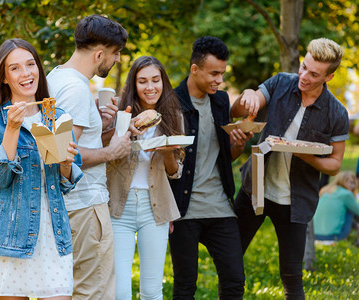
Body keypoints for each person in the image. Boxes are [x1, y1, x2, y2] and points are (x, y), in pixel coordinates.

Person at [231, 38, 349, 299]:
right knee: (231, 260)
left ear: (329, 77)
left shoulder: (336, 113)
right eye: (304, 67)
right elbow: (237, 110)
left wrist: (300, 152)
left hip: (296, 201)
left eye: (314, 74)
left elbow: (334, 165)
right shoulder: (281, 83)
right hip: (255, 189)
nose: (304, 76)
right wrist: (248, 96)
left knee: (292, 275)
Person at [0, 38, 83, 299]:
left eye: (31, 64)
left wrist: (66, 164)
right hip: (10, 236)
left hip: (52, 235)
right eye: (15, 68)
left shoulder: (57, 115)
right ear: (4, 77)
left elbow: (68, 180)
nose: (26, 73)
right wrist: (11, 129)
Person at [46, 15, 133, 300]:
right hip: (84, 207)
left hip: (66, 206)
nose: (117, 60)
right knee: (92, 292)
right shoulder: (76, 89)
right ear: (99, 54)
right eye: (116, 53)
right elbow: (64, 154)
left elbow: (60, 142)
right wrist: (113, 151)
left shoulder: (55, 78)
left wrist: (100, 126)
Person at [168, 36, 253, 299]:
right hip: (184, 209)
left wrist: (238, 144)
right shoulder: (172, 102)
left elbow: (225, 156)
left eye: (222, 73)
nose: (219, 79)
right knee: (185, 285)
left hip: (220, 206)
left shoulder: (221, 101)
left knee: (234, 280)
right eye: (214, 73)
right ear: (195, 69)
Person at [106, 56, 184, 299]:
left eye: (155, 80)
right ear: (133, 84)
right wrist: (121, 129)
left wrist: (168, 151)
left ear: (163, 82)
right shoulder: (120, 112)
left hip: (155, 207)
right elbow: (104, 155)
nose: (150, 87)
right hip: (120, 207)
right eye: (142, 81)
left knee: (152, 290)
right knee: (119, 291)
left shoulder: (173, 115)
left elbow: (175, 172)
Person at [314, 171, 359, 242]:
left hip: (315, 234)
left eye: (353, 183)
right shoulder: (347, 194)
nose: (353, 186)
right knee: (350, 210)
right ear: (342, 180)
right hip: (333, 236)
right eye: (351, 182)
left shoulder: (326, 190)